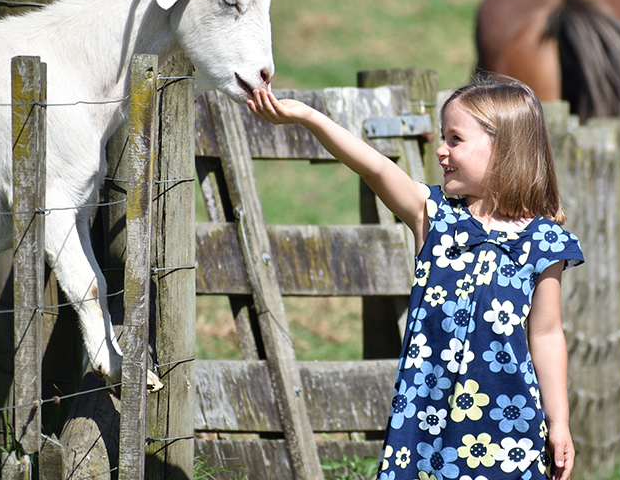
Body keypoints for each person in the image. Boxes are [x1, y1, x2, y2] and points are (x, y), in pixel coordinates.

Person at [247, 77, 583, 480]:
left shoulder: (545, 242)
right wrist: (309, 118)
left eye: (455, 139)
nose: (441, 150)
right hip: (428, 419)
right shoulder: (436, 218)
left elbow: (545, 334)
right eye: (443, 137)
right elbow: (373, 166)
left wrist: (558, 421)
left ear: (505, 148)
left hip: (510, 425)